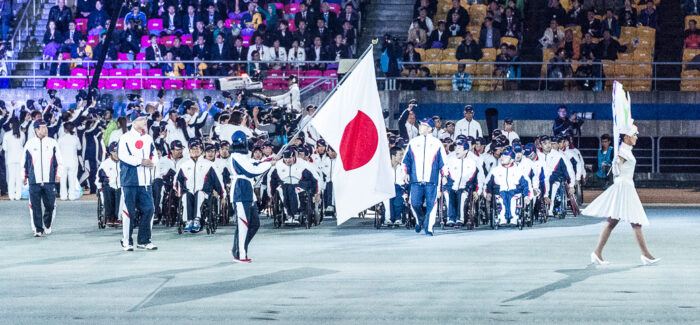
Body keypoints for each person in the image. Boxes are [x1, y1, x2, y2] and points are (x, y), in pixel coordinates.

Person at [585, 124, 660, 266]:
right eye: (634, 135)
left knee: (613, 222)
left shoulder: (626, 150)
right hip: (624, 189)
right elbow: (618, 166)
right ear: (626, 137)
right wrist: (616, 165)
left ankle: (598, 252)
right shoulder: (622, 152)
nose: (636, 137)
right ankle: (645, 255)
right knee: (632, 222)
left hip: (627, 187)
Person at [231, 131, 275, 263]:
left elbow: (255, 164)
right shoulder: (236, 156)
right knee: (243, 225)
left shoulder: (243, 156)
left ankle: (237, 248)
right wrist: (269, 164)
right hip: (241, 190)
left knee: (254, 224)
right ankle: (240, 254)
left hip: (248, 190)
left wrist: (270, 160)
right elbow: (251, 171)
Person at [118, 110, 158, 251]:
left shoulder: (148, 138)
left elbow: (154, 154)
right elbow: (122, 155)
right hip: (130, 180)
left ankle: (144, 240)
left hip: (145, 181)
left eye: (145, 119)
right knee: (129, 212)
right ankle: (126, 241)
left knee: (149, 209)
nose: (144, 121)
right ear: (133, 122)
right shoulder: (125, 138)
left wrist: (152, 162)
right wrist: (141, 161)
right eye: (141, 119)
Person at [402, 118, 448, 236]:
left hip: (431, 180)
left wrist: (444, 175)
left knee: (432, 204)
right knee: (414, 203)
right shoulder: (413, 142)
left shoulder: (437, 143)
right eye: (420, 125)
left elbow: (443, 161)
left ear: (430, 129)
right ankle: (420, 219)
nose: (420, 127)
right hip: (415, 179)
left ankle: (429, 227)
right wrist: (406, 173)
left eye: (423, 125)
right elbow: (406, 160)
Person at [22, 121, 63, 237]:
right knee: (35, 206)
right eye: (42, 128)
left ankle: (47, 223)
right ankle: (38, 229)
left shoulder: (52, 143)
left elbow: (60, 161)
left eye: (46, 127)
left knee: (50, 205)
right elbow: (23, 162)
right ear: (36, 130)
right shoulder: (29, 144)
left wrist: (58, 174)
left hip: (49, 180)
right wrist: (23, 176)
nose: (46, 130)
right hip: (34, 180)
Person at [485, 146, 530, 226]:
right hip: (501, 191)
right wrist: (489, 193)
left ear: (512, 160)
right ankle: (502, 217)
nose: (502, 158)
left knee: (513, 198)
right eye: (502, 156)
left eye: (506, 157)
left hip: (515, 191)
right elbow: (490, 184)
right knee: (501, 197)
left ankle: (514, 217)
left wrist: (526, 196)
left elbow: (525, 184)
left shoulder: (518, 170)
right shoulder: (496, 170)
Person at [445, 138, 483, 227]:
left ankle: (460, 218)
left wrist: (477, 191)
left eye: (459, 148)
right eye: (456, 148)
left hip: (465, 187)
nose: (456, 150)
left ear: (466, 151)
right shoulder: (450, 160)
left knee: (461, 194)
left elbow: (477, 178)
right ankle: (450, 218)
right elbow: (443, 175)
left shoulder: (472, 162)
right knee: (448, 193)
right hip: (451, 185)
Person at [97, 143, 122, 227]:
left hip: (120, 186)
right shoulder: (105, 164)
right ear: (111, 152)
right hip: (109, 186)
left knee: (120, 191)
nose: (117, 153)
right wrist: (99, 187)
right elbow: (98, 178)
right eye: (115, 151)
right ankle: (110, 217)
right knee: (107, 189)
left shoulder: (124, 162)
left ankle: (118, 217)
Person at [2, 117, 25, 200]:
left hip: (10, 159)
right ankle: (18, 195)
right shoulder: (22, 134)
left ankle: (11, 196)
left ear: (11, 124)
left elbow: (4, 148)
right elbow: (22, 144)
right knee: (19, 177)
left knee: (11, 177)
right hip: (20, 158)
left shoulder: (7, 134)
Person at [58, 122, 82, 201]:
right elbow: (79, 148)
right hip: (73, 161)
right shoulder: (75, 138)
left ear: (65, 129)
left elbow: (57, 150)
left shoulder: (61, 139)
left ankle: (63, 196)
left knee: (63, 179)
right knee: (72, 179)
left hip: (63, 162)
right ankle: (72, 195)